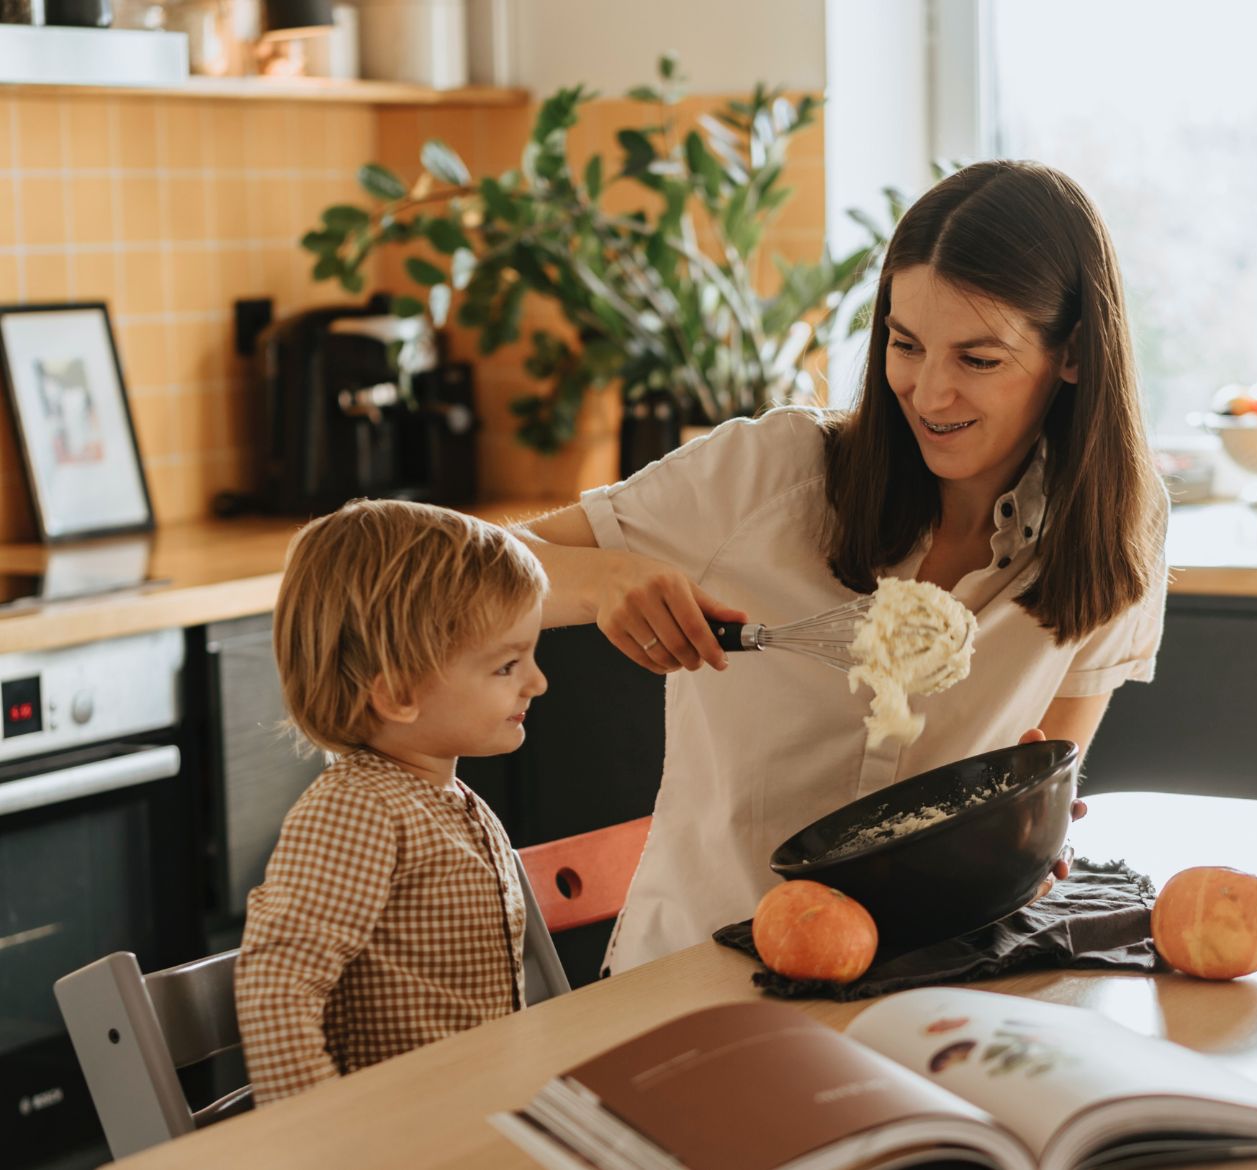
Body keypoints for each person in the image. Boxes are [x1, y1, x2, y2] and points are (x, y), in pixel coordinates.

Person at [515, 160, 1168, 974]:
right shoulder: (764, 476)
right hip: (699, 974)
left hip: (934, 980)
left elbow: (1045, 789)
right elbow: (454, 567)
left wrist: (1030, 843)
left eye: (978, 359)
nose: (929, 394)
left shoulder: (1110, 530)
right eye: (905, 344)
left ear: (1071, 355)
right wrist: (597, 578)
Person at [235, 499, 548, 1104]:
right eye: (508, 665)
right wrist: (324, 1134)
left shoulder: (448, 798)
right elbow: (277, 985)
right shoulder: (357, 810)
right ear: (399, 692)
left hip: (473, 1116)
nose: (537, 682)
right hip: (403, 1135)